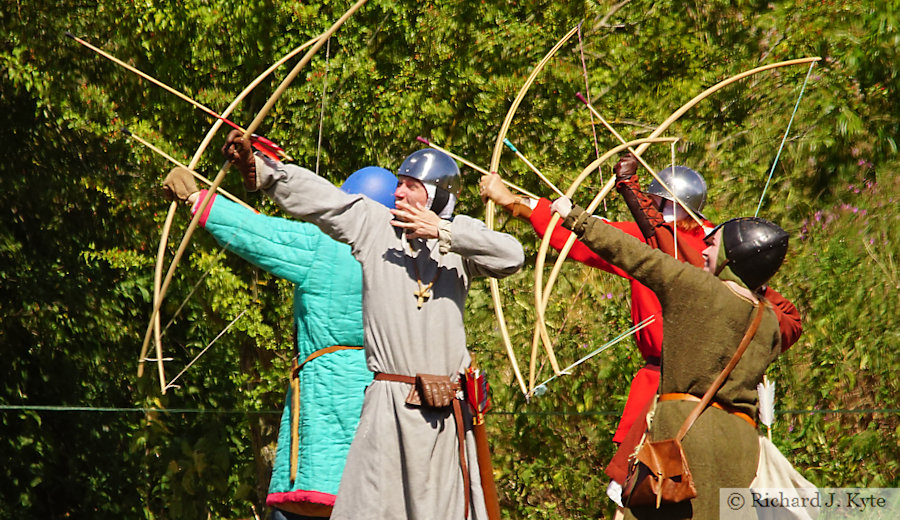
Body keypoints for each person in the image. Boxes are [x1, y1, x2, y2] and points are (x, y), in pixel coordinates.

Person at [222, 130, 525, 520]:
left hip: (446, 416)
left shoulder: (460, 245)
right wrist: (262, 170)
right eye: (398, 184)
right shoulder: (374, 225)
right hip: (388, 408)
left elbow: (512, 256)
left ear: (435, 195)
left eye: (410, 186)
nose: (397, 193)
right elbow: (324, 201)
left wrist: (444, 232)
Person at [479, 157, 801, 491]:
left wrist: (511, 201)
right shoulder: (739, 276)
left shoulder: (695, 260)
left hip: (668, 403)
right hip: (733, 430)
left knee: (637, 495)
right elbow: (788, 319)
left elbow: (597, 235)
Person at [163, 164, 397, 519]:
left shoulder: (327, 247)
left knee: (312, 499)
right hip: (387, 402)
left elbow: (258, 234)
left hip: (325, 398)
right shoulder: (412, 258)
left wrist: (196, 198)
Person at [549, 193, 790, 519]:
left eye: (714, 244)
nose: (704, 249)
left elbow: (633, 254)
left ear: (732, 257)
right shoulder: (770, 321)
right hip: (742, 447)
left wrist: (574, 216)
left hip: (686, 440)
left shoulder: (694, 287)